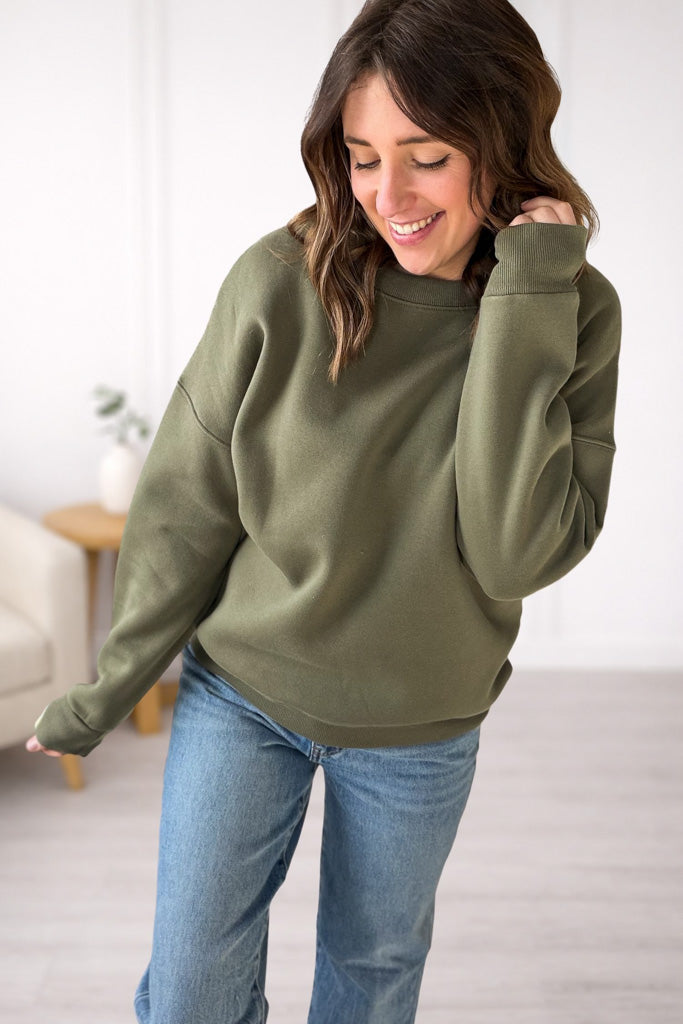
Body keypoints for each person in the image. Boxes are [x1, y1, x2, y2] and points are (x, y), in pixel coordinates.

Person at [26, 0, 621, 1021]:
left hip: (420, 724)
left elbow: (513, 547)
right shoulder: (278, 282)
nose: (386, 194)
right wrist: (108, 684)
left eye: (425, 156)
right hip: (241, 694)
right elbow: (183, 505)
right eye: (358, 156)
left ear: (501, 142)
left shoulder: (571, 305)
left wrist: (526, 301)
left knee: (371, 977)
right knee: (189, 994)